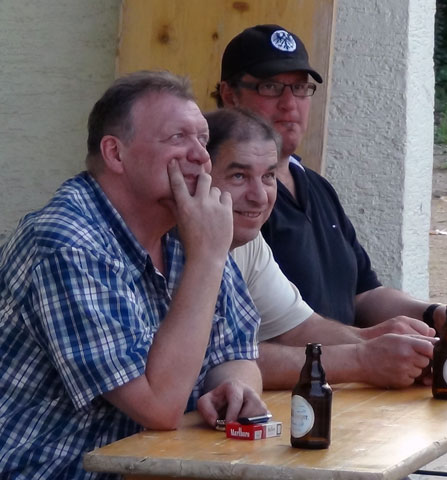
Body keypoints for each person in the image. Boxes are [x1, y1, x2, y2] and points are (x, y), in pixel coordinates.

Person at [0, 71, 266, 479]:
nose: (201, 156)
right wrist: (207, 260)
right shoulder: (66, 244)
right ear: (115, 154)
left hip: (150, 468)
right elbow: (158, 407)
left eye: (203, 139)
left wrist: (234, 387)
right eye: (178, 138)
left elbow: (236, 351)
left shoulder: (188, 226)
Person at [213, 24, 447, 334]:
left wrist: (439, 315)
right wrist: (366, 347)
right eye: (270, 87)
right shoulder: (232, 200)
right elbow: (243, 344)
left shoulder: (317, 187)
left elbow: (364, 294)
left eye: (300, 87)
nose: (289, 103)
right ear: (229, 95)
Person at [205, 107, 440, 390]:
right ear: (197, 176)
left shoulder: (248, 241)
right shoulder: (179, 243)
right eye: (239, 176)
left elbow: (299, 327)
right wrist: (364, 359)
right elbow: (219, 359)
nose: (259, 197)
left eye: (268, 177)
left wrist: (386, 345)